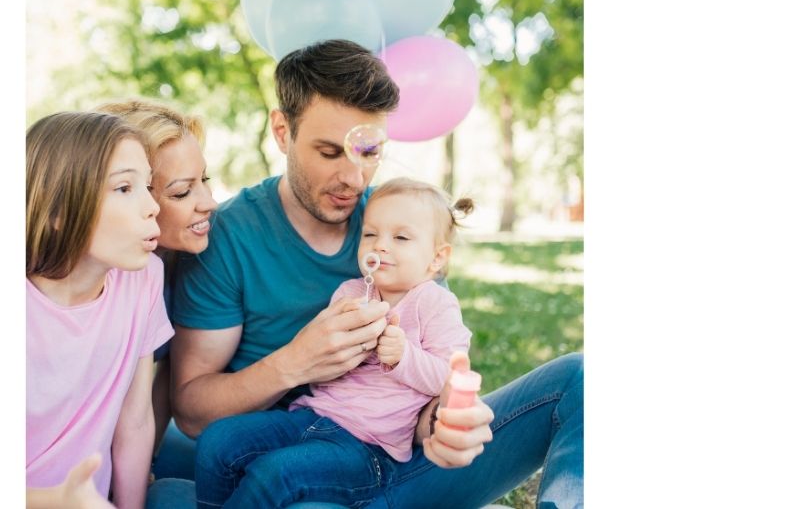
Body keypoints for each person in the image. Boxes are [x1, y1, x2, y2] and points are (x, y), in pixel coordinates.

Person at [170, 39, 584, 508]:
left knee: (581, 377)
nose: (355, 177)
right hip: (304, 458)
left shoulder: (397, 223)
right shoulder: (229, 237)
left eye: (369, 152)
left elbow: (433, 371)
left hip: (402, 460)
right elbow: (190, 411)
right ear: (282, 132)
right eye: (330, 152)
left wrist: (443, 423)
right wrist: (294, 363)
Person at [194, 178, 478, 507]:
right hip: (314, 416)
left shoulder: (435, 304)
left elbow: (447, 378)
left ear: (436, 258)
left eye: (400, 237)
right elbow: (321, 370)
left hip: (370, 447)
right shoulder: (351, 293)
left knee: (276, 474)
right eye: (371, 234)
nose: (380, 246)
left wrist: (403, 356)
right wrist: (339, 350)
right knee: (218, 440)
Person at [25, 111, 172, 509]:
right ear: (57, 209)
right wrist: (56, 501)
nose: (152, 206)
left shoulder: (144, 278)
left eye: (149, 186)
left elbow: (136, 420)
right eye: (124, 188)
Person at [95, 99, 219, 471]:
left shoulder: (180, 265)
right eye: (182, 193)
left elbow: (164, 376)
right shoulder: (105, 277)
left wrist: (143, 465)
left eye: (205, 181)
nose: (209, 203)